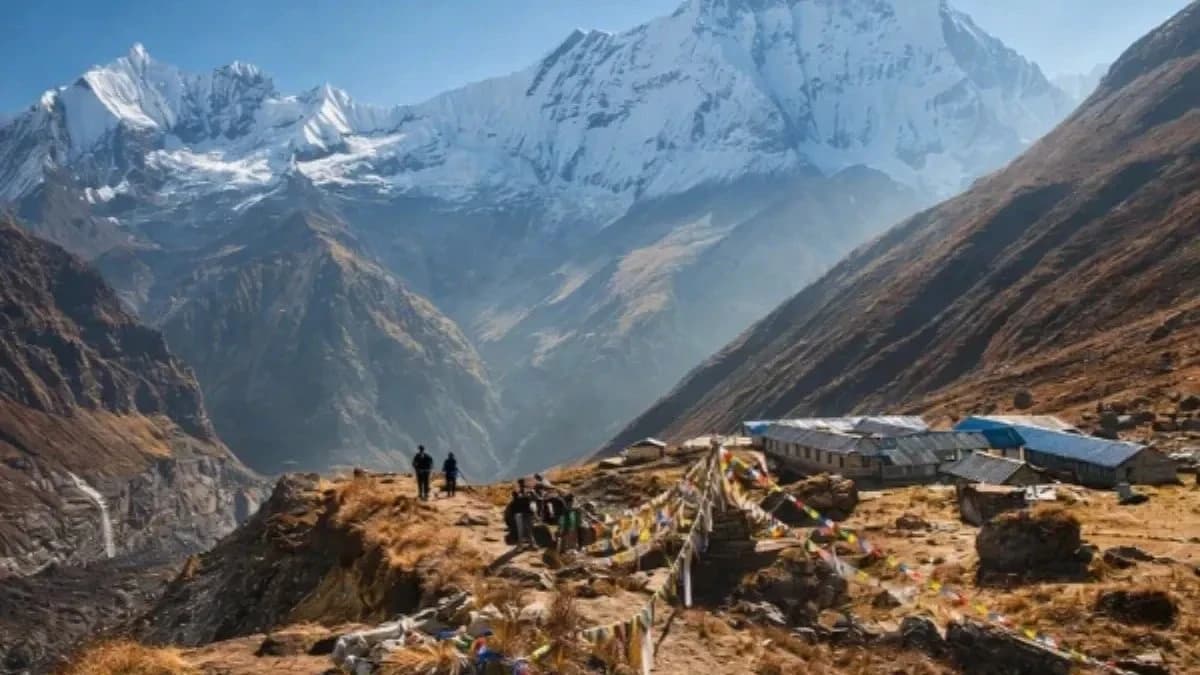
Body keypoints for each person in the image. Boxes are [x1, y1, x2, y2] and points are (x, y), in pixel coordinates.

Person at [510, 480, 535, 549]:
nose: (521, 486)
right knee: (521, 530)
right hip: (520, 513)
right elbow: (516, 501)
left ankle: (532, 544)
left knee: (529, 529)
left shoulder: (529, 492)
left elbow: (531, 500)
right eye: (520, 484)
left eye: (522, 484)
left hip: (526, 513)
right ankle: (521, 546)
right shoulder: (516, 493)